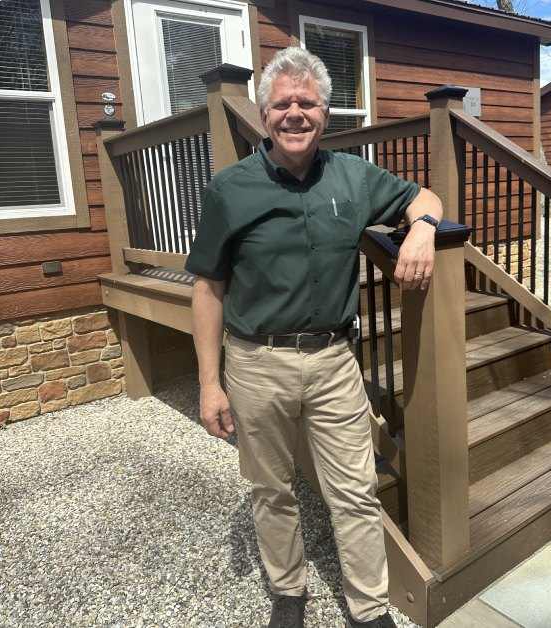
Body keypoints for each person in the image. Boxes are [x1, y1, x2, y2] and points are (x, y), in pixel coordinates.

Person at [185, 47, 443, 628]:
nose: (295, 114)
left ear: (325, 113)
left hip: (333, 361)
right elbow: (207, 288)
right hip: (255, 362)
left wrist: (423, 228)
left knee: (354, 490)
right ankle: (288, 594)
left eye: (307, 103)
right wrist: (209, 384)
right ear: (264, 112)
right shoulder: (231, 189)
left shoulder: (354, 176)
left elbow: (424, 197)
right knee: (270, 488)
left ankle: (369, 607)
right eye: (283, 104)